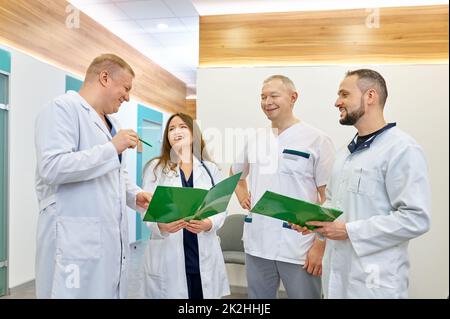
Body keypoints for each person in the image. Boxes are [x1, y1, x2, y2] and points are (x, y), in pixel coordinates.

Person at [295, 69, 431, 298]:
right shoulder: (344, 155)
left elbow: (416, 218)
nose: (337, 102)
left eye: (344, 94)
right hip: (337, 276)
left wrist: (349, 231)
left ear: (370, 96)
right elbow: (334, 202)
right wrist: (314, 220)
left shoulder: (402, 149)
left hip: (374, 281)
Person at [34, 54, 152, 298]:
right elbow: (52, 167)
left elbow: (117, 175)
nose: (128, 97)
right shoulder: (62, 109)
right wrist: (112, 148)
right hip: (73, 243)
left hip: (108, 241)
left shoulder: (113, 124)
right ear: (105, 77)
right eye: (126, 88)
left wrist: (135, 195)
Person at [230, 75, 335, 299]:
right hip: (257, 242)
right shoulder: (256, 139)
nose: (267, 101)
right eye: (263, 96)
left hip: (298, 247)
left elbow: (327, 197)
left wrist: (320, 244)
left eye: (274, 95)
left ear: (293, 97)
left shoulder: (317, 139)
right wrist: (242, 195)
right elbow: (236, 174)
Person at [140, 113, 229, 299]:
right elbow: (146, 208)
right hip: (169, 251)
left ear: (193, 134)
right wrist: (160, 225)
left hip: (201, 252)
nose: (176, 131)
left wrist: (209, 223)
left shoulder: (210, 169)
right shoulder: (155, 168)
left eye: (182, 127)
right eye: (171, 129)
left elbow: (221, 208)